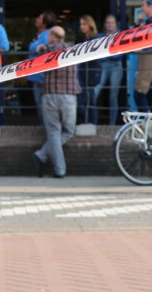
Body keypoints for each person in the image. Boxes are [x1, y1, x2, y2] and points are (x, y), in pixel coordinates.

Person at [32, 26, 81, 178]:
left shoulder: (46, 48)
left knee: (53, 132)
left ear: (52, 36)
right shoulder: (73, 48)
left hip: (50, 94)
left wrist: (39, 45)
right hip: (69, 95)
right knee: (68, 131)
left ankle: (47, 159)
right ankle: (44, 158)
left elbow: (36, 48)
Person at [90, 14, 123, 125]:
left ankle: (112, 125)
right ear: (105, 24)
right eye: (108, 22)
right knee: (95, 93)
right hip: (102, 66)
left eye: (112, 22)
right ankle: (94, 122)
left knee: (113, 96)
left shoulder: (120, 36)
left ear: (115, 25)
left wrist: (106, 55)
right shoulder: (99, 36)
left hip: (116, 66)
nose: (109, 24)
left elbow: (120, 54)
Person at [27, 11, 57, 123]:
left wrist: (43, 79)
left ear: (45, 23)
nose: (36, 20)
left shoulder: (47, 36)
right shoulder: (41, 34)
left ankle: (47, 132)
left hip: (42, 79)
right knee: (41, 107)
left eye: (39, 18)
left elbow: (45, 58)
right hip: (37, 77)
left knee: (44, 107)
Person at [76, 15, 99, 123]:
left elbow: (95, 57)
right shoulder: (85, 38)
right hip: (83, 74)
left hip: (90, 74)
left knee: (88, 102)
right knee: (85, 102)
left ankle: (91, 123)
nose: (81, 26)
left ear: (90, 25)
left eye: (84, 24)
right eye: (81, 24)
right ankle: (89, 122)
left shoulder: (95, 39)